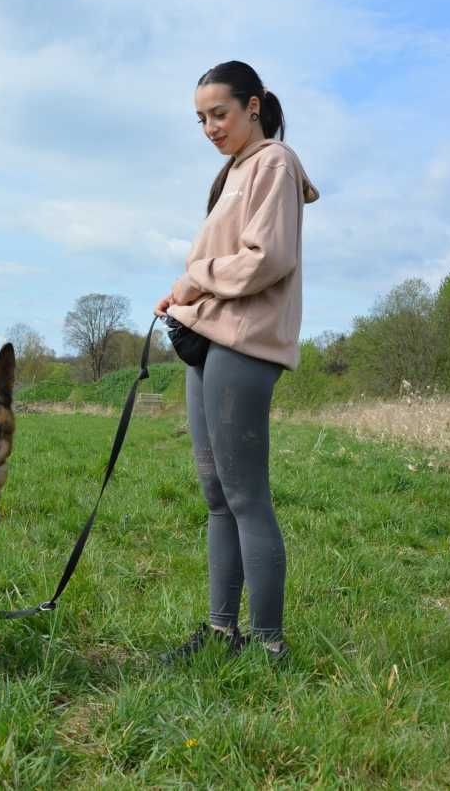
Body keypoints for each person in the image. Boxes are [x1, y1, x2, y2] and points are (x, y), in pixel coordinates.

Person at [154, 61, 319, 663]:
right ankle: (222, 634)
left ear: (255, 106)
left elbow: (265, 258)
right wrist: (183, 296)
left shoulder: (274, 162)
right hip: (210, 342)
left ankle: (269, 645)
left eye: (219, 113)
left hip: (243, 345)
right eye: (200, 118)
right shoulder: (236, 171)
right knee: (217, 498)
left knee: (247, 497)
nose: (209, 127)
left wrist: (194, 279)